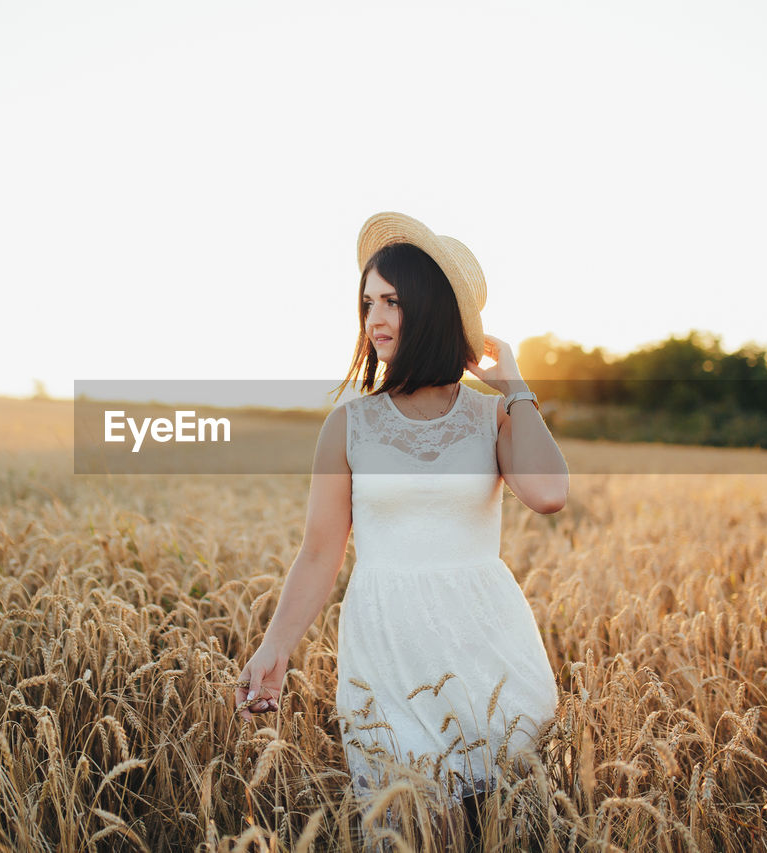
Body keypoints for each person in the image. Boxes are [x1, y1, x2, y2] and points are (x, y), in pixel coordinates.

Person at [234, 211, 568, 846]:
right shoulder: (350, 426)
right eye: (367, 303)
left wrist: (516, 385)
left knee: (494, 832)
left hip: (484, 646)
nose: (376, 318)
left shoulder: (492, 416)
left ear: (434, 309)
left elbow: (548, 493)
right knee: (413, 830)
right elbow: (319, 553)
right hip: (385, 646)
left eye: (392, 300)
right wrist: (275, 648)